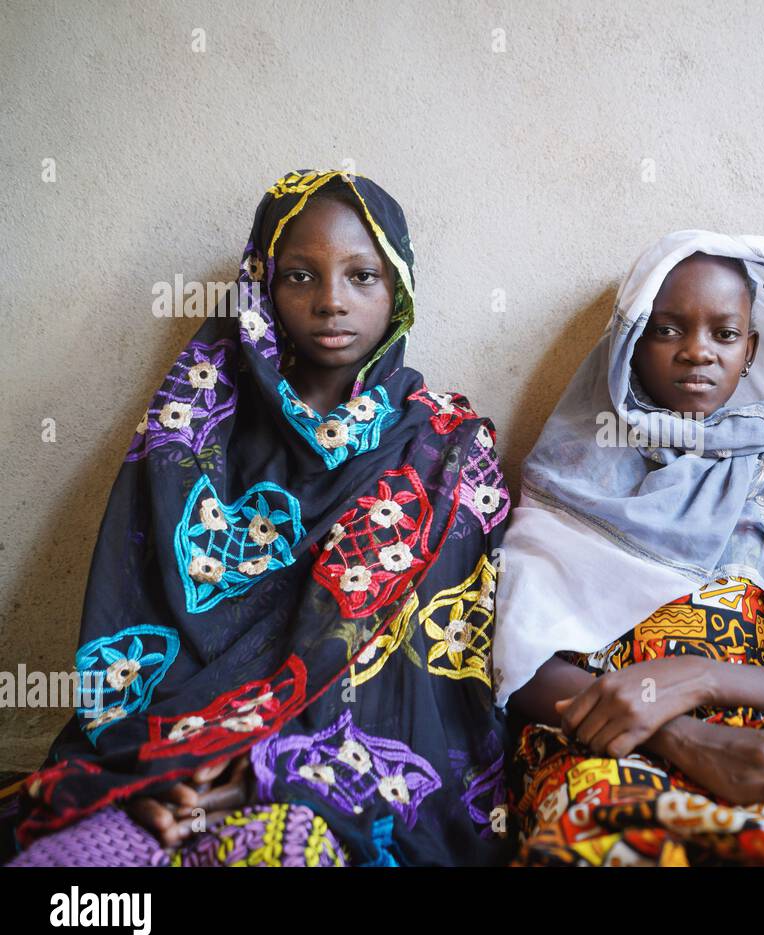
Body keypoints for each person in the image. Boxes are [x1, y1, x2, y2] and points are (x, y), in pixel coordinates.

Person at [7, 170, 512, 867]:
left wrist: (275, 770)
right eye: (301, 277)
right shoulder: (193, 431)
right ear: (261, 287)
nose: (332, 301)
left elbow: (433, 676)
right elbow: (133, 627)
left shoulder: (447, 453)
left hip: (343, 787)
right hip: (170, 760)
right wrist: (155, 770)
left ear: (399, 289)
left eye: (363, 276)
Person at [494, 240, 764, 866]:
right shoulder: (573, 470)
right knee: (602, 842)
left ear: (749, 351)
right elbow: (519, 660)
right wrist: (675, 731)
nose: (698, 350)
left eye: (725, 333)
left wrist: (697, 680)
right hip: (606, 739)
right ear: (631, 341)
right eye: (668, 329)